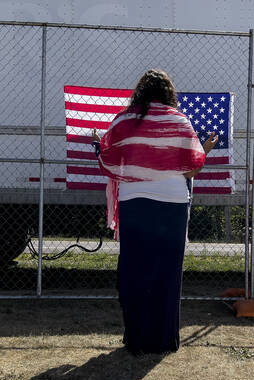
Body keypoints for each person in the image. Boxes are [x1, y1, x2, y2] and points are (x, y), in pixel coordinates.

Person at [92, 69, 217, 354]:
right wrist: (205, 149)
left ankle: (136, 339)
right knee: (167, 275)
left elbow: (109, 159)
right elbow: (192, 168)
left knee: (135, 272)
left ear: (140, 92)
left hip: (134, 203)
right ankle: (164, 340)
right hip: (172, 204)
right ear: (168, 93)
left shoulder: (124, 121)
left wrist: (98, 143)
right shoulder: (179, 121)